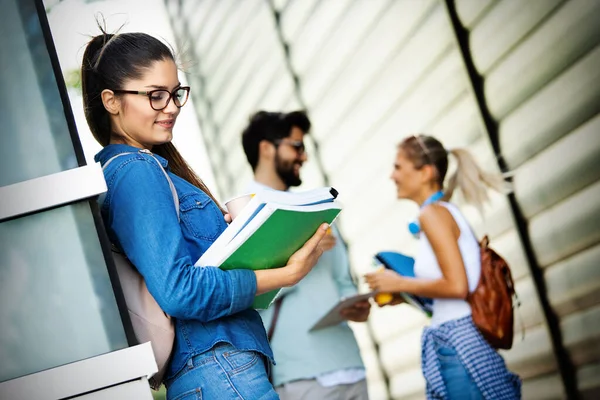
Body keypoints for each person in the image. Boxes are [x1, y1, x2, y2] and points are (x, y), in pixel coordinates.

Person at [81, 31, 329, 400]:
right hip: (219, 367)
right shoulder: (136, 171)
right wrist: (286, 273)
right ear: (112, 101)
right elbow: (180, 292)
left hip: (220, 368)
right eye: (155, 95)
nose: (172, 106)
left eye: (176, 93)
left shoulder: (147, 168)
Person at [365, 135, 521, 399]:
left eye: (398, 167)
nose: (392, 176)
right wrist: (404, 296)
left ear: (425, 172)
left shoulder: (433, 214)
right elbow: (452, 288)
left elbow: (458, 286)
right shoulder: (440, 212)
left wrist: (399, 283)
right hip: (455, 339)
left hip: (458, 343)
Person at [241, 110, 371, 400]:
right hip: (299, 374)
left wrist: (354, 303)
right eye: (296, 146)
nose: (304, 157)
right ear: (266, 148)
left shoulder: (316, 206)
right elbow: (246, 292)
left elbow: (342, 280)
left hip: (349, 363)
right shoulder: (239, 214)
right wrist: (302, 250)